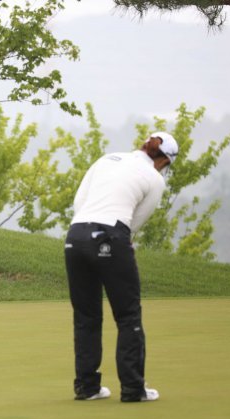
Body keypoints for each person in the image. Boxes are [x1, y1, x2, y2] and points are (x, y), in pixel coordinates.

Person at [64, 131, 179, 402]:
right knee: (128, 316)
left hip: (75, 235)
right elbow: (134, 223)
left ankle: (87, 387)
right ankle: (133, 389)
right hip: (110, 236)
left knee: (86, 316)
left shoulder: (107, 159)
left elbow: (80, 202)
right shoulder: (154, 178)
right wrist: (116, 242)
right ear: (164, 161)